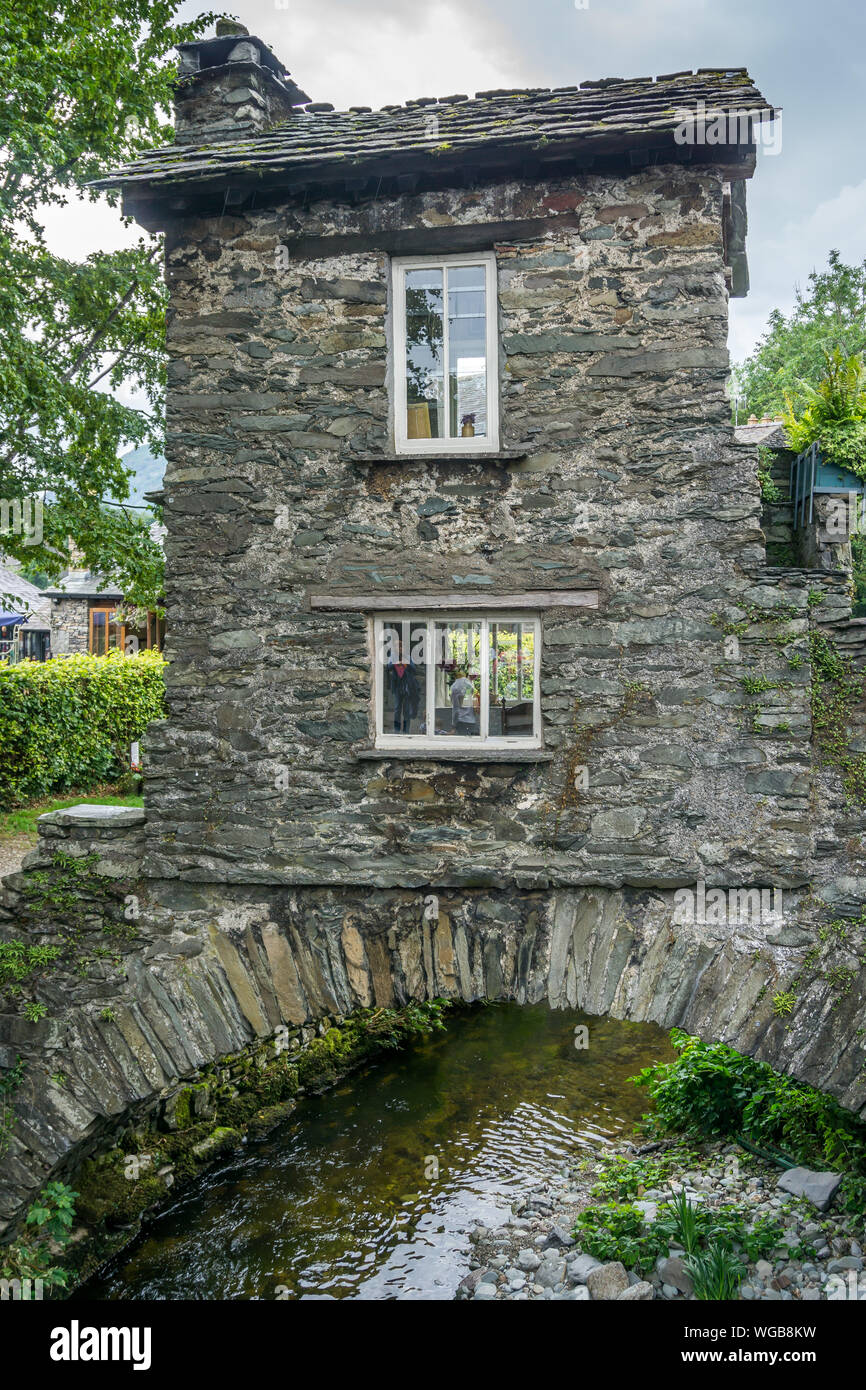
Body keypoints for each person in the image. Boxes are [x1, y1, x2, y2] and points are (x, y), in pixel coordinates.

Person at [449, 667, 478, 735]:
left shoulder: (454, 687)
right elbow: (471, 702)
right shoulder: (468, 685)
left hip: (461, 721)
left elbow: (457, 708)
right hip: (471, 720)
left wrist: (454, 725)